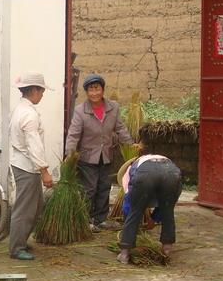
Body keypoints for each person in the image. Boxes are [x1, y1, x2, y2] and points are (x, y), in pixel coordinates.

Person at [64, 73, 133, 232]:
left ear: (102, 90)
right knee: (89, 189)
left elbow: (120, 128)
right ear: (86, 92)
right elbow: (73, 134)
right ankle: (86, 219)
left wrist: (130, 145)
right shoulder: (81, 111)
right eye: (90, 90)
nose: (94, 93)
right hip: (88, 157)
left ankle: (101, 219)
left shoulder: (113, 107)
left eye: (97, 89)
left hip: (106, 155)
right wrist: (70, 154)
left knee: (104, 187)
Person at [8, 72, 54, 261]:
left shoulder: (21, 109)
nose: (42, 94)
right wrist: (44, 171)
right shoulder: (28, 114)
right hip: (27, 166)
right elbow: (34, 144)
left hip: (24, 164)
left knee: (35, 206)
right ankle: (16, 247)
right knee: (25, 208)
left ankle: (21, 240)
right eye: (41, 91)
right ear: (33, 90)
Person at [115, 153, 182, 264]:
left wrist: (129, 222)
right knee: (168, 211)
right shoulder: (162, 159)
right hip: (172, 173)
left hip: (145, 175)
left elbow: (129, 203)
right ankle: (166, 250)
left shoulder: (129, 171)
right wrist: (154, 219)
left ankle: (124, 254)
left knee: (134, 211)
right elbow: (166, 204)